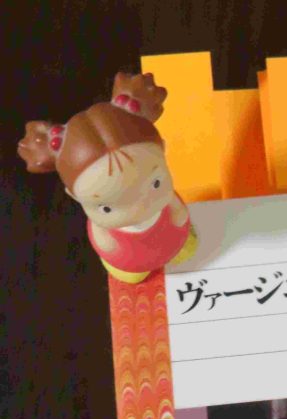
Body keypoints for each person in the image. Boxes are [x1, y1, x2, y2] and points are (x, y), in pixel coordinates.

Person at [18, 71, 196, 283]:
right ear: (74, 197)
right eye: (106, 208)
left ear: (163, 152)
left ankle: (178, 247)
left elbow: (176, 208)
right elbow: (103, 239)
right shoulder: (104, 226)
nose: (138, 210)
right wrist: (111, 248)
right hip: (130, 256)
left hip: (169, 236)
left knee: (184, 249)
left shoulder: (163, 200)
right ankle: (135, 269)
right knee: (131, 275)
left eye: (156, 183)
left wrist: (178, 216)